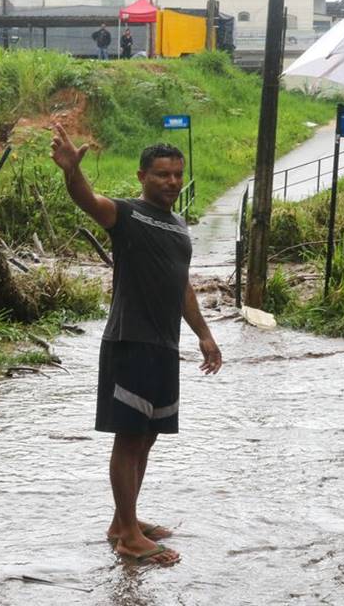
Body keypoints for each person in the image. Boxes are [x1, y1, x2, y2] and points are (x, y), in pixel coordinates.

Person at [49, 122, 222, 566]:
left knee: (147, 438)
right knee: (128, 439)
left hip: (164, 345)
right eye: (162, 174)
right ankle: (128, 536)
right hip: (130, 341)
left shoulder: (179, 226)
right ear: (142, 176)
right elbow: (88, 200)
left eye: (177, 174)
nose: (172, 182)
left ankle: (121, 521)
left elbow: (181, 285)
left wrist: (204, 334)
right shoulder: (126, 215)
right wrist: (71, 172)